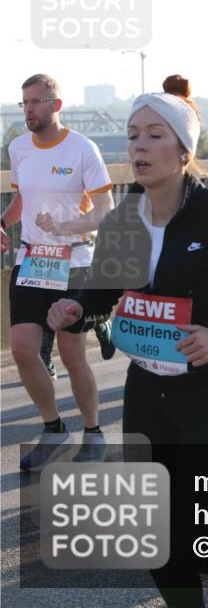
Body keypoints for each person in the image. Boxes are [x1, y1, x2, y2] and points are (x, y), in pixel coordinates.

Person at [47, 75, 208, 607]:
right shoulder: (122, 221)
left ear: (184, 150)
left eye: (155, 135)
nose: (139, 146)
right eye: (134, 135)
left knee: (195, 539)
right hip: (148, 395)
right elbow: (102, 296)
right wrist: (74, 310)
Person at [1, 73, 115, 470]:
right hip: (32, 262)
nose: (29, 109)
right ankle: (53, 430)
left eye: (36, 102)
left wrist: (67, 227)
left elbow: (104, 210)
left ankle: (94, 432)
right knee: (22, 349)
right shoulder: (19, 148)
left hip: (74, 263)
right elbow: (22, 199)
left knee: (70, 353)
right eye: (24, 103)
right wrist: (2, 223)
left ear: (55, 105)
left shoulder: (83, 149)